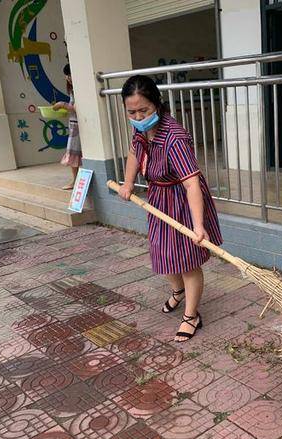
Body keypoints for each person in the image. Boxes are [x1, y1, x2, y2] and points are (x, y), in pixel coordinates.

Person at [118, 75, 222, 342]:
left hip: (183, 200)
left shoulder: (173, 137)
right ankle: (178, 292)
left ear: (157, 105)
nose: (139, 117)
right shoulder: (140, 129)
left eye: (144, 110)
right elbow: (133, 154)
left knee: (187, 261)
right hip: (158, 198)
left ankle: (192, 316)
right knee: (163, 250)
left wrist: (198, 226)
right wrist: (128, 183)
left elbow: (191, 185)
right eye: (132, 112)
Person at [53, 64, 81, 190]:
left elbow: (77, 108)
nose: (68, 78)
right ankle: (75, 180)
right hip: (74, 124)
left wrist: (63, 105)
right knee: (74, 153)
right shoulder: (73, 89)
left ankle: (76, 181)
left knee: (73, 152)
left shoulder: (80, 88)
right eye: (67, 75)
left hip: (78, 125)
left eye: (70, 75)